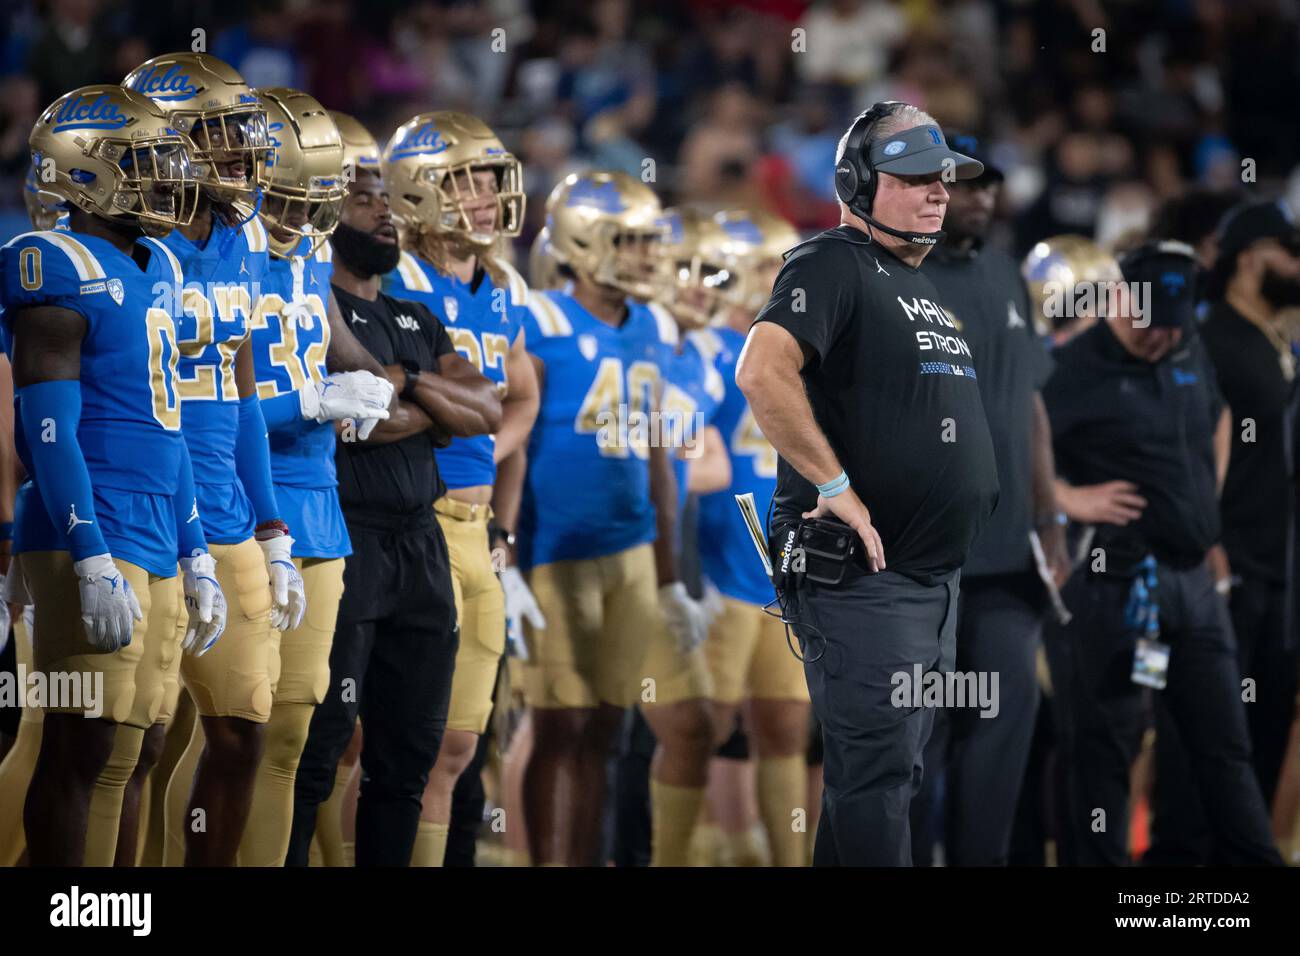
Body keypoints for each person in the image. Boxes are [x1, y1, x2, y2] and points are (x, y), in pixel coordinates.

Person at [736, 101, 998, 866]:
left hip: (928, 580)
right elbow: (761, 370)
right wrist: (835, 482)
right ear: (855, 183)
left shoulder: (920, 283)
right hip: (864, 580)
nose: (938, 192)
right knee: (878, 778)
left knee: (882, 779)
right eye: (915, 177)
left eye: (943, 178)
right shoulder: (830, 262)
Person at [1, 84, 226, 865]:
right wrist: (87, 549)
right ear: (84, 173)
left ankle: (111, 911)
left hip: (160, 520)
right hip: (90, 516)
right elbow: (45, 427)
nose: (165, 178)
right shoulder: (47, 259)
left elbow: (171, 426)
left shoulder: (159, 259)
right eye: (143, 162)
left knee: (142, 746)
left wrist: (197, 544)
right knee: (81, 745)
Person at [286, 126, 502, 867]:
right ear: (324, 213)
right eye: (359, 196)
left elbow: (487, 411)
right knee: (317, 751)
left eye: (384, 197)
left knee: (406, 759)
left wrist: (404, 387)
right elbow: (359, 427)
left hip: (423, 543)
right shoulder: (311, 311)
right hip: (349, 539)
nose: (380, 211)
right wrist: (426, 409)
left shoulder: (416, 316)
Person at [1041, 238, 1283, 866]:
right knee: (1107, 747)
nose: (1161, 341)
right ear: (1119, 297)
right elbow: (1010, 444)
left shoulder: (1188, 346)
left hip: (1194, 584)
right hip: (1113, 586)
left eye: (1174, 332)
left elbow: (1220, 416)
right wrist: (1067, 497)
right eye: (1149, 328)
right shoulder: (1072, 368)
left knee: (1224, 743)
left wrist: (1204, 503)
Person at [494, 170, 708, 866]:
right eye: (629, 241)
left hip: (632, 551)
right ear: (582, 240)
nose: (648, 257)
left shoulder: (656, 324)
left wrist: (671, 577)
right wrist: (509, 556)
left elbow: (657, 461)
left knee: (605, 732)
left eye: (651, 242)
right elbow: (508, 447)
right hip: (554, 549)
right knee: (560, 724)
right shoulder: (540, 319)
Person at [381, 110, 540, 866]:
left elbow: (525, 396)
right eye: (465, 182)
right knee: (386, 741)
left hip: (476, 538)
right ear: (415, 191)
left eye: (490, 181)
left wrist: (483, 446)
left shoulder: (501, 282)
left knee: (454, 746)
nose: (484, 198)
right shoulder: (396, 278)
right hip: (415, 524)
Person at [240, 89, 395, 867]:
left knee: (294, 735)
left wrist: (372, 385)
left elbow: (340, 349)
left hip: (319, 504)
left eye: (314, 198)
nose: (304, 216)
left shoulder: (307, 253)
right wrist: (301, 400)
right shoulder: (213, 251)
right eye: (291, 197)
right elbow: (199, 404)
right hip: (236, 502)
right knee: (220, 732)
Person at [910, 133, 1067, 866]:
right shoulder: (894, 277)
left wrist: (1050, 517)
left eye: (985, 186)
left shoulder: (1008, 273)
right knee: (918, 738)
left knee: (1002, 731)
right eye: (961, 184)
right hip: (924, 563)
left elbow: (1030, 404)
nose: (978, 198)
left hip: (1008, 561)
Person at [1152, 199, 1300, 863]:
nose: (1297, 266)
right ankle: (1181, 862)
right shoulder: (1212, 342)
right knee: (1206, 728)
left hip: (1276, 568)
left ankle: (1240, 861)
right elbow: (1186, 450)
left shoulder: (1273, 339)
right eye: (1287, 253)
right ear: (1249, 260)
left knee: (1264, 721)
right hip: (1226, 562)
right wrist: (1206, 543)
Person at [694, 207, 817, 867]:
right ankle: (707, 850)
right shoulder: (706, 349)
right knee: (701, 725)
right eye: (774, 265)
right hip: (718, 563)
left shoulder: (798, 352)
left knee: (785, 726)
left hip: (783, 570)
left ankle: (785, 859)